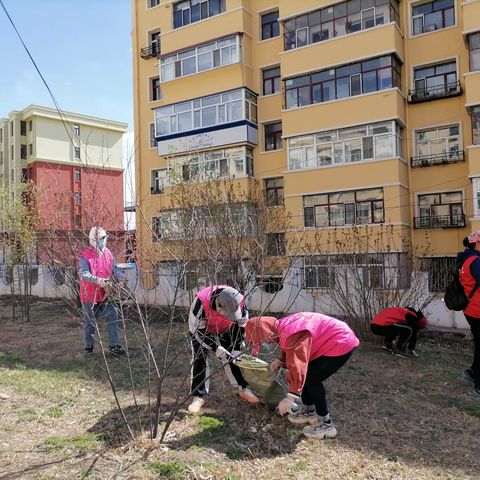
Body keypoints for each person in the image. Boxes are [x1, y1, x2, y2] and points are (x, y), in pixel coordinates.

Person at [245, 312, 359, 440]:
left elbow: (298, 364)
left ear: (265, 332)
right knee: (308, 376)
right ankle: (310, 413)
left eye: (262, 340)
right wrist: (282, 360)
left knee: (312, 379)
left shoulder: (292, 332)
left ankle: (326, 424)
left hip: (340, 341)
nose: (264, 344)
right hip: (331, 338)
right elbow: (291, 348)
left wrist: (290, 398)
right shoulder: (284, 326)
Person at [188, 285, 260, 413]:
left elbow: (241, 327)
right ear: (218, 304)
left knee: (233, 357)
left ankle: (243, 388)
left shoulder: (239, 302)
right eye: (227, 313)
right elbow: (197, 334)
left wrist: (237, 347)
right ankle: (198, 396)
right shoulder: (200, 305)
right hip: (202, 328)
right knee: (200, 356)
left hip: (227, 328)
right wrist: (215, 347)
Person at [79, 226, 126, 356]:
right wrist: (99, 281)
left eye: (105, 238)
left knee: (112, 317)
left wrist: (120, 276)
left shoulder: (108, 253)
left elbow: (114, 268)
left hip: (107, 293)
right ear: (93, 240)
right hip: (90, 295)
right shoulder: (85, 256)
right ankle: (89, 348)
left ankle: (114, 346)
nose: (104, 241)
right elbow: (84, 274)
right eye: (101, 238)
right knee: (90, 322)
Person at [456, 232, 480, 398]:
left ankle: (472, 373)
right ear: (477, 244)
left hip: (472, 309)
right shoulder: (476, 261)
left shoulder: (466, 260)